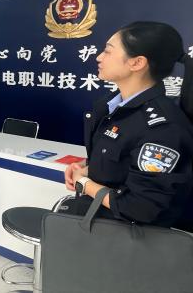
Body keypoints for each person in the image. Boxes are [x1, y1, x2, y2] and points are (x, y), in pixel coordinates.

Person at [62, 21, 193, 228]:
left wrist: (85, 184)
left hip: (127, 237)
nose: (99, 57)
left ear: (137, 63)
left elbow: (139, 207)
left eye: (108, 51)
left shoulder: (162, 127)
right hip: (99, 223)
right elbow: (121, 163)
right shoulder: (110, 106)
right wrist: (87, 169)